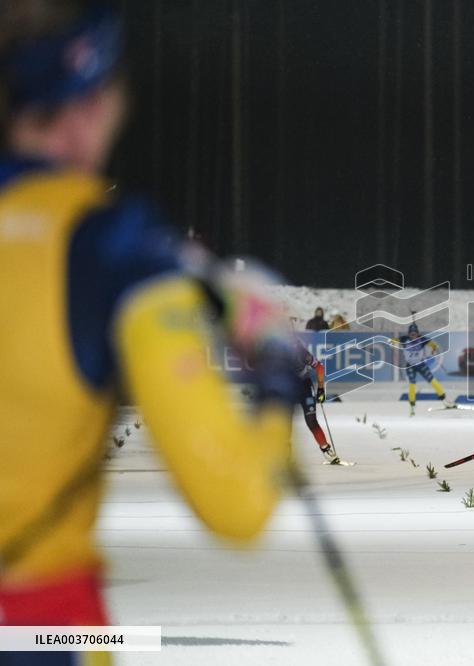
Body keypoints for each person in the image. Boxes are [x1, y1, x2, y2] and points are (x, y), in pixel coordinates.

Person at [0, 0, 300, 648]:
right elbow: (237, 506)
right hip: (40, 628)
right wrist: (277, 378)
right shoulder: (115, 247)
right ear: (93, 104)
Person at [295, 340, 338, 462]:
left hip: (304, 388)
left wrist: (320, 389)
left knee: (311, 421)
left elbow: (319, 367)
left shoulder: (302, 352)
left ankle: (326, 449)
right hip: (287, 388)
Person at [398, 322, 448, 415]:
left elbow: (434, 345)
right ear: (409, 333)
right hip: (410, 365)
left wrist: (433, 349)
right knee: (412, 384)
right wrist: (392, 341)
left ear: (417, 333)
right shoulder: (404, 339)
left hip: (421, 364)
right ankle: (412, 405)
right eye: (411, 334)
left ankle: (444, 398)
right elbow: (394, 340)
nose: (413, 336)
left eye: (415, 333)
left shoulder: (422, 339)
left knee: (432, 380)